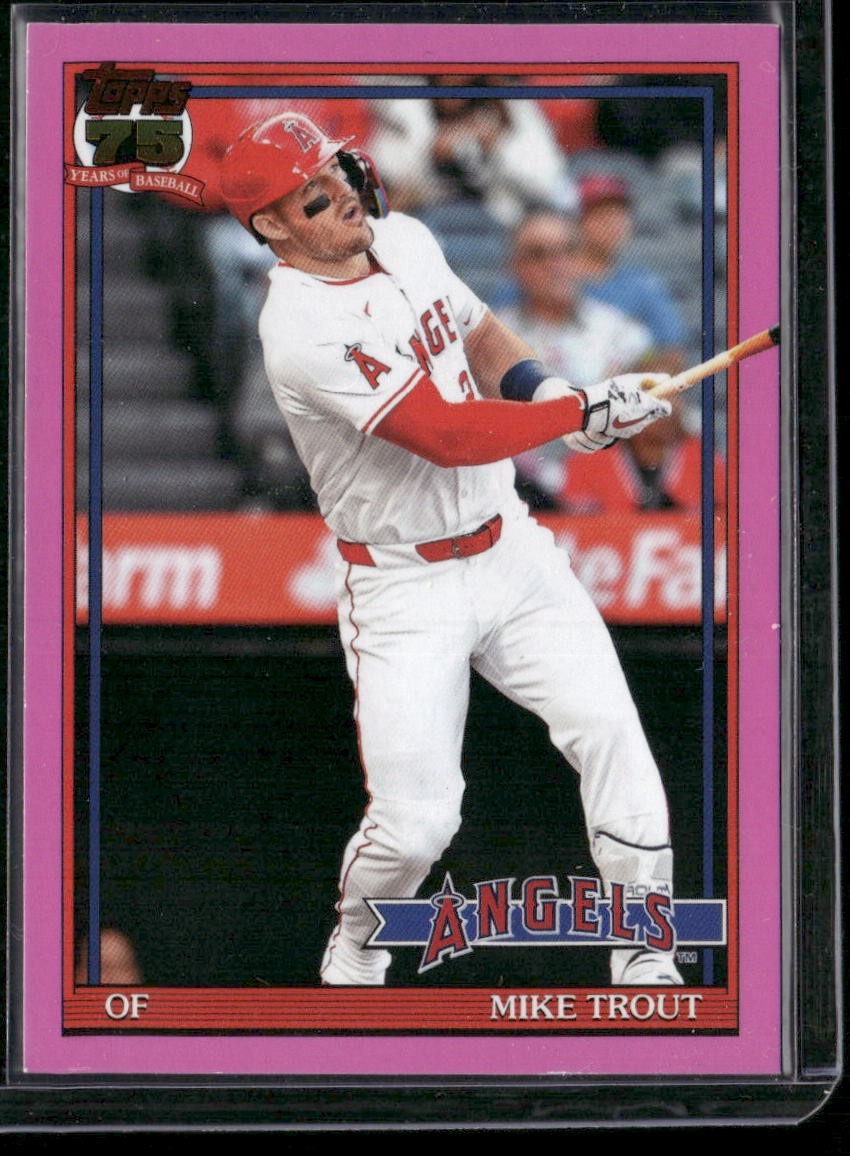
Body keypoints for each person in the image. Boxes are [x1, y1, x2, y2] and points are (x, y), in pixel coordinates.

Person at [220, 111, 682, 988]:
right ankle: (357, 942)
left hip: (510, 547)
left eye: (338, 172)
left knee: (612, 734)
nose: (342, 195)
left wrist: (551, 391)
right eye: (311, 196)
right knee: (417, 825)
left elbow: (477, 334)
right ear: (271, 226)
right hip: (404, 585)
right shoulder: (301, 326)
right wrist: (574, 415)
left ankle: (645, 950)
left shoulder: (404, 237)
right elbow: (445, 433)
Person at [495, 208, 656, 505]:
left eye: (567, 251)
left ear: (582, 259)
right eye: (539, 254)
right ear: (514, 266)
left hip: (607, 498)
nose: (556, 265)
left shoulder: (621, 331)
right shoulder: (492, 337)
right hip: (517, 496)